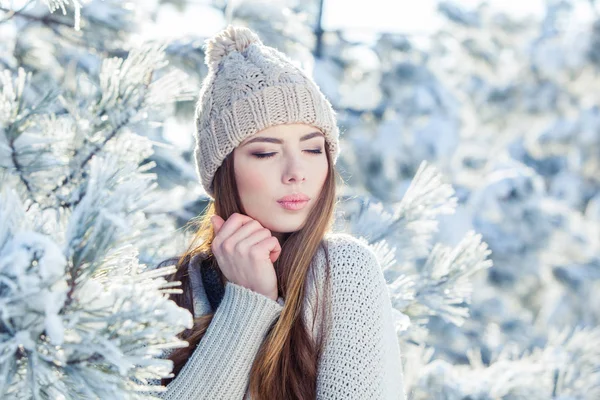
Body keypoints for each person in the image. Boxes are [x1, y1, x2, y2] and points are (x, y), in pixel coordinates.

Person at [152, 24, 407, 400]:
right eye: (265, 152)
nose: (296, 173)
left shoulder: (343, 270)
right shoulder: (171, 286)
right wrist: (248, 303)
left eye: (312, 149)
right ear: (223, 170)